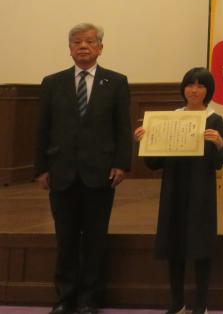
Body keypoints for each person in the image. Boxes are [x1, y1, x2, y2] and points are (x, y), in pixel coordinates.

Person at [34, 22, 132, 314]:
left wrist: (121, 164)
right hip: (61, 173)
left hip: (100, 174)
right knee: (65, 239)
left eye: (89, 41)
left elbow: (122, 127)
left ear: (100, 47)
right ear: (69, 49)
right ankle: (65, 297)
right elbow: (42, 129)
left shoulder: (116, 82)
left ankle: (90, 298)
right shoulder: (52, 83)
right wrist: (41, 168)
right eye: (77, 42)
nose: (83, 47)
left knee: (95, 239)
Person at [134, 67, 223, 314]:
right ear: (183, 89)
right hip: (173, 189)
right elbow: (154, 163)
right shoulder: (170, 118)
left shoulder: (214, 119)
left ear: (208, 90)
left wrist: (219, 143)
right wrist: (145, 141)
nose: (194, 90)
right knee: (174, 245)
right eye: (190, 85)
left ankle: (201, 304)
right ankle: (177, 303)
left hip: (201, 191)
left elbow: (219, 162)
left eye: (200, 86)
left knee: (201, 246)